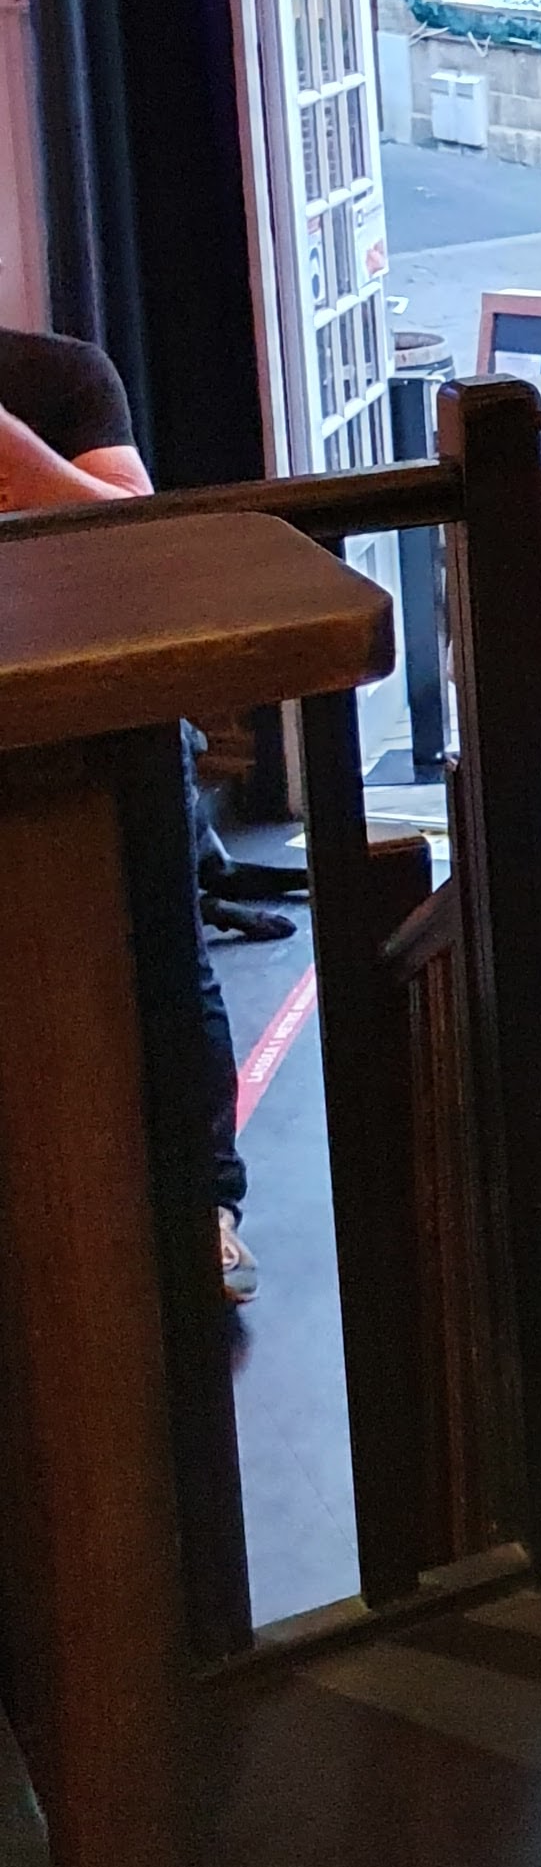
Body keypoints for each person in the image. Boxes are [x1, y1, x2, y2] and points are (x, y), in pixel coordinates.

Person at [0, 328, 262, 1303]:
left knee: (166, 956)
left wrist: (19, 457)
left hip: (112, 722)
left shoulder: (56, 376)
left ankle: (207, 1207)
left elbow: (139, 531)